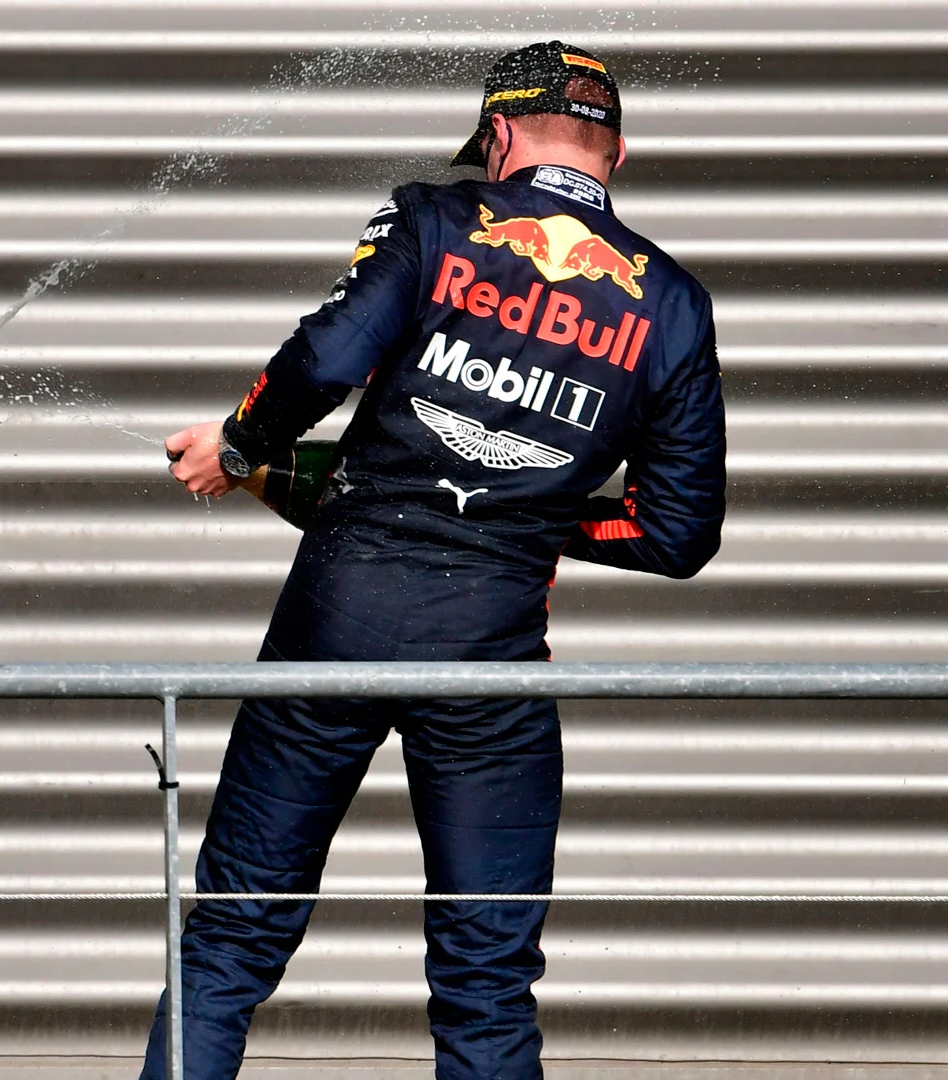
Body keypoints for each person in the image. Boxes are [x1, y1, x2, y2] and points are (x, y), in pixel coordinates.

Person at [152, 43, 726, 1080]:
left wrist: (239, 444)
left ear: (497, 137)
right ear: (618, 156)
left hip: (335, 623)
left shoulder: (432, 217)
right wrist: (530, 521)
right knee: (488, 982)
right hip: (492, 656)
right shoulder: (674, 306)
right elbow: (678, 532)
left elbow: (325, 359)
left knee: (229, 944)